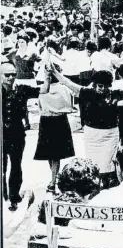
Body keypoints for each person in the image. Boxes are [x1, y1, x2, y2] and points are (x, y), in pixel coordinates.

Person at [51, 66, 123, 188]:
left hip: (111, 135)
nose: (102, 88)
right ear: (94, 84)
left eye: (105, 86)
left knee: (109, 165)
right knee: (93, 165)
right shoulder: (86, 92)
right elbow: (68, 83)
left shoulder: (115, 94)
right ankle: (97, 188)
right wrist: (55, 72)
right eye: (100, 86)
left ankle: (106, 187)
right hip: (92, 136)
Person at [2, 62, 39, 210]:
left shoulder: (21, 89)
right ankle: (3, 196)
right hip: (1, 134)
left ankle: (13, 195)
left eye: (13, 74)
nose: (11, 77)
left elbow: (43, 90)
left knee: (16, 165)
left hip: (17, 133)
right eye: (7, 75)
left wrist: (49, 74)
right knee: (2, 167)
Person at [34, 63, 75, 193]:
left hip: (46, 120)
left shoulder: (42, 89)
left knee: (50, 153)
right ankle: (54, 178)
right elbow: (71, 106)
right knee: (55, 154)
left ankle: (53, 179)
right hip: (60, 120)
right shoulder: (65, 89)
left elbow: (40, 107)